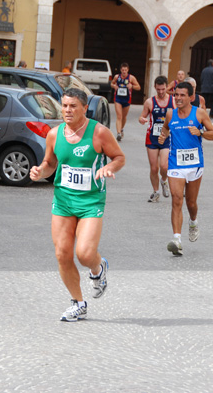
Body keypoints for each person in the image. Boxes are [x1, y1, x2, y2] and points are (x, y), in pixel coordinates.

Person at [30, 88, 125, 322]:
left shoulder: (99, 133)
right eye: (64, 106)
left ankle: (98, 268)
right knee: (63, 254)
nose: (67, 110)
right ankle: (78, 303)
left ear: (85, 108)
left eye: (73, 106)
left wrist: (108, 168)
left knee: (84, 254)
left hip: (91, 201)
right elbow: (50, 163)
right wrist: (40, 171)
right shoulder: (54, 134)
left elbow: (119, 157)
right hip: (63, 201)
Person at [158, 82, 213, 256]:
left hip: (195, 164)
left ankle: (193, 221)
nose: (178, 98)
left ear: (191, 97)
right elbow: (165, 129)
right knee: (176, 199)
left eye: (182, 95)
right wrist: (162, 137)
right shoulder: (170, 114)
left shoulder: (199, 113)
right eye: (176, 95)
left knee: (191, 202)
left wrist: (201, 133)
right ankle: (177, 239)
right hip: (176, 163)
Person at [139, 75, 174, 203]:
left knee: (164, 166)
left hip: (166, 137)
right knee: (154, 168)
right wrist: (142, 119)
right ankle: (156, 192)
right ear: (155, 87)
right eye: (158, 89)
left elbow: (179, 116)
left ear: (167, 87)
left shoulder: (173, 101)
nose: (160, 92)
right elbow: (141, 116)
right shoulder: (149, 102)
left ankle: (164, 180)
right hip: (152, 137)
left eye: (163, 89)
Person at [111, 62, 141, 141]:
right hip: (118, 98)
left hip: (127, 99)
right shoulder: (117, 77)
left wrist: (132, 86)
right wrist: (114, 86)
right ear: (121, 70)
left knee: (124, 117)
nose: (124, 71)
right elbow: (112, 83)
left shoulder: (131, 78)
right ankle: (118, 133)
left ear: (127, 70)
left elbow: (138, 87)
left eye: (125, 70)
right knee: (119, 116)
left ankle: (121, 129)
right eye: (123, 70)